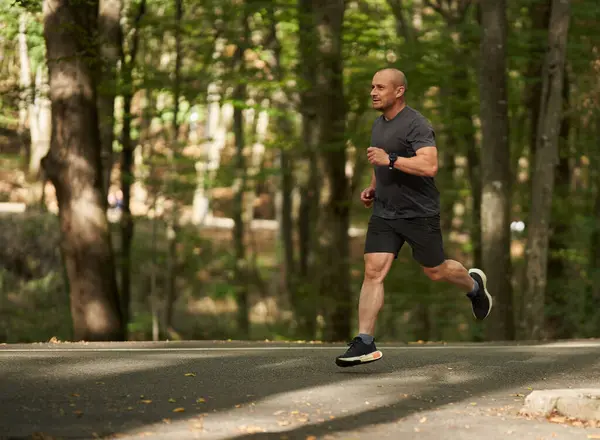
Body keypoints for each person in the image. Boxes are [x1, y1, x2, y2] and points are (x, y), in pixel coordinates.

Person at [335, 68, 493, 367]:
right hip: (385, 212)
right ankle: (365, 341)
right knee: (373, 271)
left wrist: (390, 160)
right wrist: (373, 186)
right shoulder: (378, 124)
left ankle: (473, 286)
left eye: (380, 87)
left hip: (419, 212)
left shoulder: (417, 124)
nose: (373, 92)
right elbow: (378, 161)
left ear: (399, 92)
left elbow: (429, 165)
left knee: (435, 271)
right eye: (372, 87)